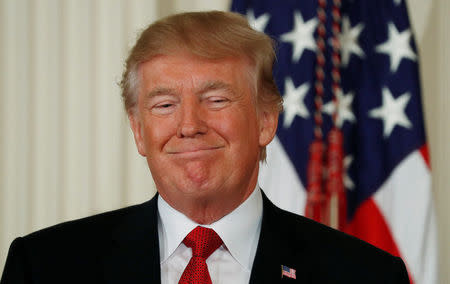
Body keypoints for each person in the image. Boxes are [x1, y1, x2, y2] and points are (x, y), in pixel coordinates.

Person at [1, 11, 409, 284]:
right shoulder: (43, 268)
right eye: (164, 105)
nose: (190, 125)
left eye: (216, 99)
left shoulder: (366, 275)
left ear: (266, 120)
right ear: (138, 131)